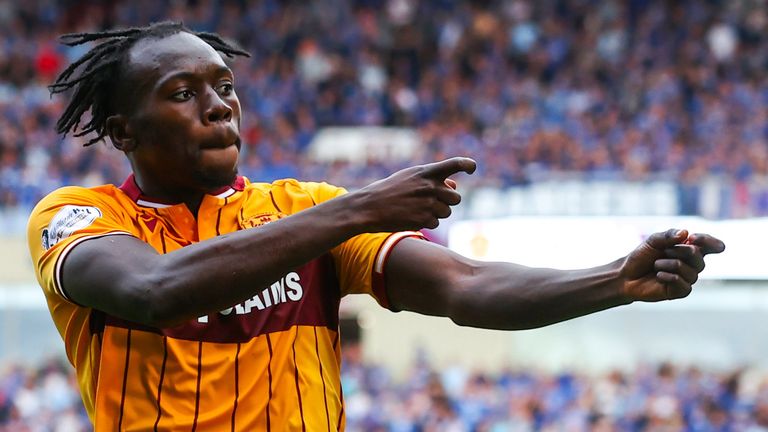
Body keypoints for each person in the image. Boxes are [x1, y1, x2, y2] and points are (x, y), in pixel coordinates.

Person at [26, 22, 725, 431]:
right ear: (122, 130)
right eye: (183, 94)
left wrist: (614, 280)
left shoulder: (305, 209)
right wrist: (355, 209)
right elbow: (155, 289)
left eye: (225, 87)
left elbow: (465, 286)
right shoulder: (78, 217)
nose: (219, 108)